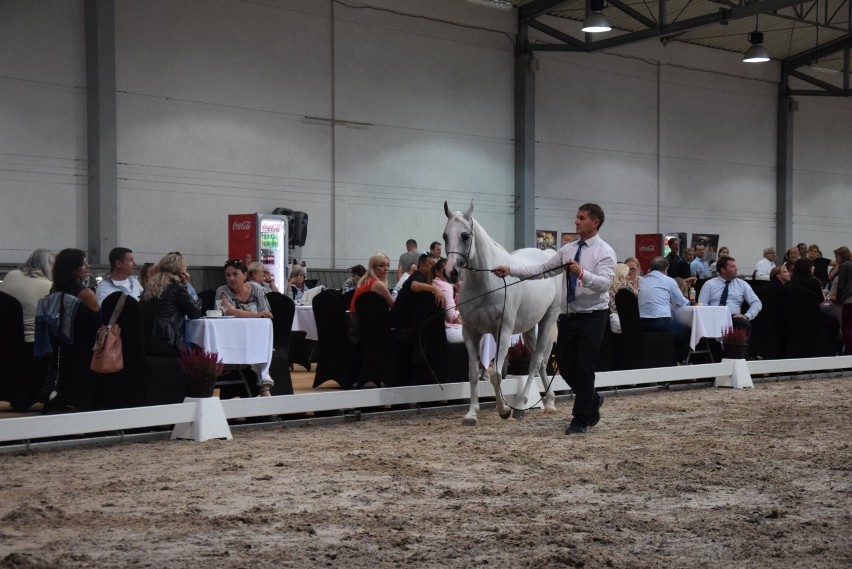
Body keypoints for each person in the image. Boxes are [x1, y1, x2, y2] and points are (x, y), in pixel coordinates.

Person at [493, 203, 615, 435]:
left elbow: (606, 285)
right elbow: (542, 270)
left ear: (595, 222)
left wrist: (582, 273)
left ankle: (579, 421)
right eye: (576, 217)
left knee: (585, 367)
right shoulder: (568, 250)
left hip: (593, 317)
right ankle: (592, 398)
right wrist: (511, 270)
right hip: (568, 316)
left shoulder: (604, 252)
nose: (576, 221)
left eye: (582, 218)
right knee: (566, 367)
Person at [139, 252, 203, 357]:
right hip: (169, 341)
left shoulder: (148, 287)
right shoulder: (177, 287)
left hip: (145, 340)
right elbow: (195, 313)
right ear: (181, 271)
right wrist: (185, 284)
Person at [697, 256, 762, 355]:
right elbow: (702, 305)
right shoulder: (709, 284)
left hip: (733, 317)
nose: (736, 269)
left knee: (744, 324)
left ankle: (741, 357)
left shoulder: (742, 284)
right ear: (723, 270)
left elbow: (756, 302)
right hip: (713, 317)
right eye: (732, 267)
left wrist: (747, 316)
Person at [638, 257, 691, 362]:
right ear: (666, 269)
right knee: (688, 332)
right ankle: (680, 361)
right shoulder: (668, 280)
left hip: (641, 323)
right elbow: (682, 302)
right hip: (660, 323)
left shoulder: (642, 280)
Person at [0, 248, 54, 343]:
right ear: (48, 266)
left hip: (5, 336)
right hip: (32, 341)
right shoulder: (49, 286)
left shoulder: (10, 275)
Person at [390, 253, 444, 330]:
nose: (434, 268)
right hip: (401, 326)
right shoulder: (418, 276)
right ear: (421, 265)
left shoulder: (421, 277)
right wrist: (435, 289)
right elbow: (414, 286)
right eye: (431, 264)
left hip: (403, 323)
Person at [432, 257, 463, 344]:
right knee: (481, 334)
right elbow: (450, 315)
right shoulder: (446, 286)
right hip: (446, 330)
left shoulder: (433, 282)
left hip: (434, 328)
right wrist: (458, 311)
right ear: (437, 272)